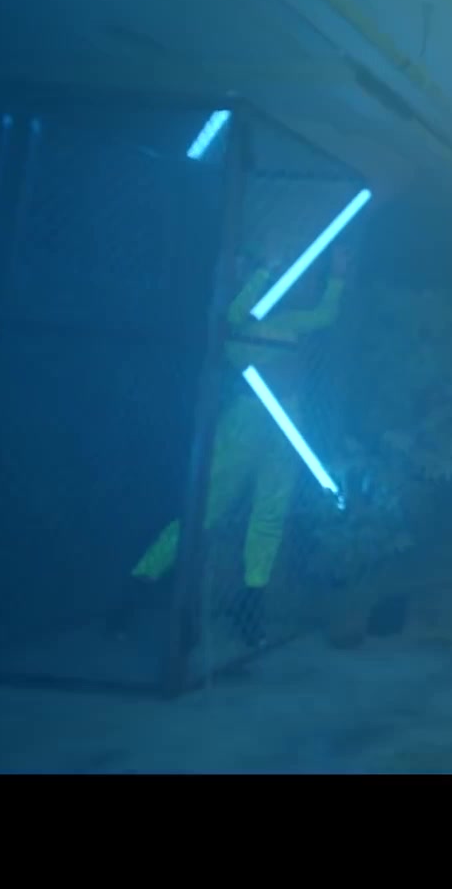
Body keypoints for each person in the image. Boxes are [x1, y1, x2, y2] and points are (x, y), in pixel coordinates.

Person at [119, 242, 349, 648]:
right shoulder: (233, 322)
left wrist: (337, 275)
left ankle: (252, 604)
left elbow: (325, 315)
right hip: (246, 421)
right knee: (203, 511)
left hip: (286, 421)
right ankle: (140, 586)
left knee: (270, 514)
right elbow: (234, 317)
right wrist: (261, 271)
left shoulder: (287, 320)